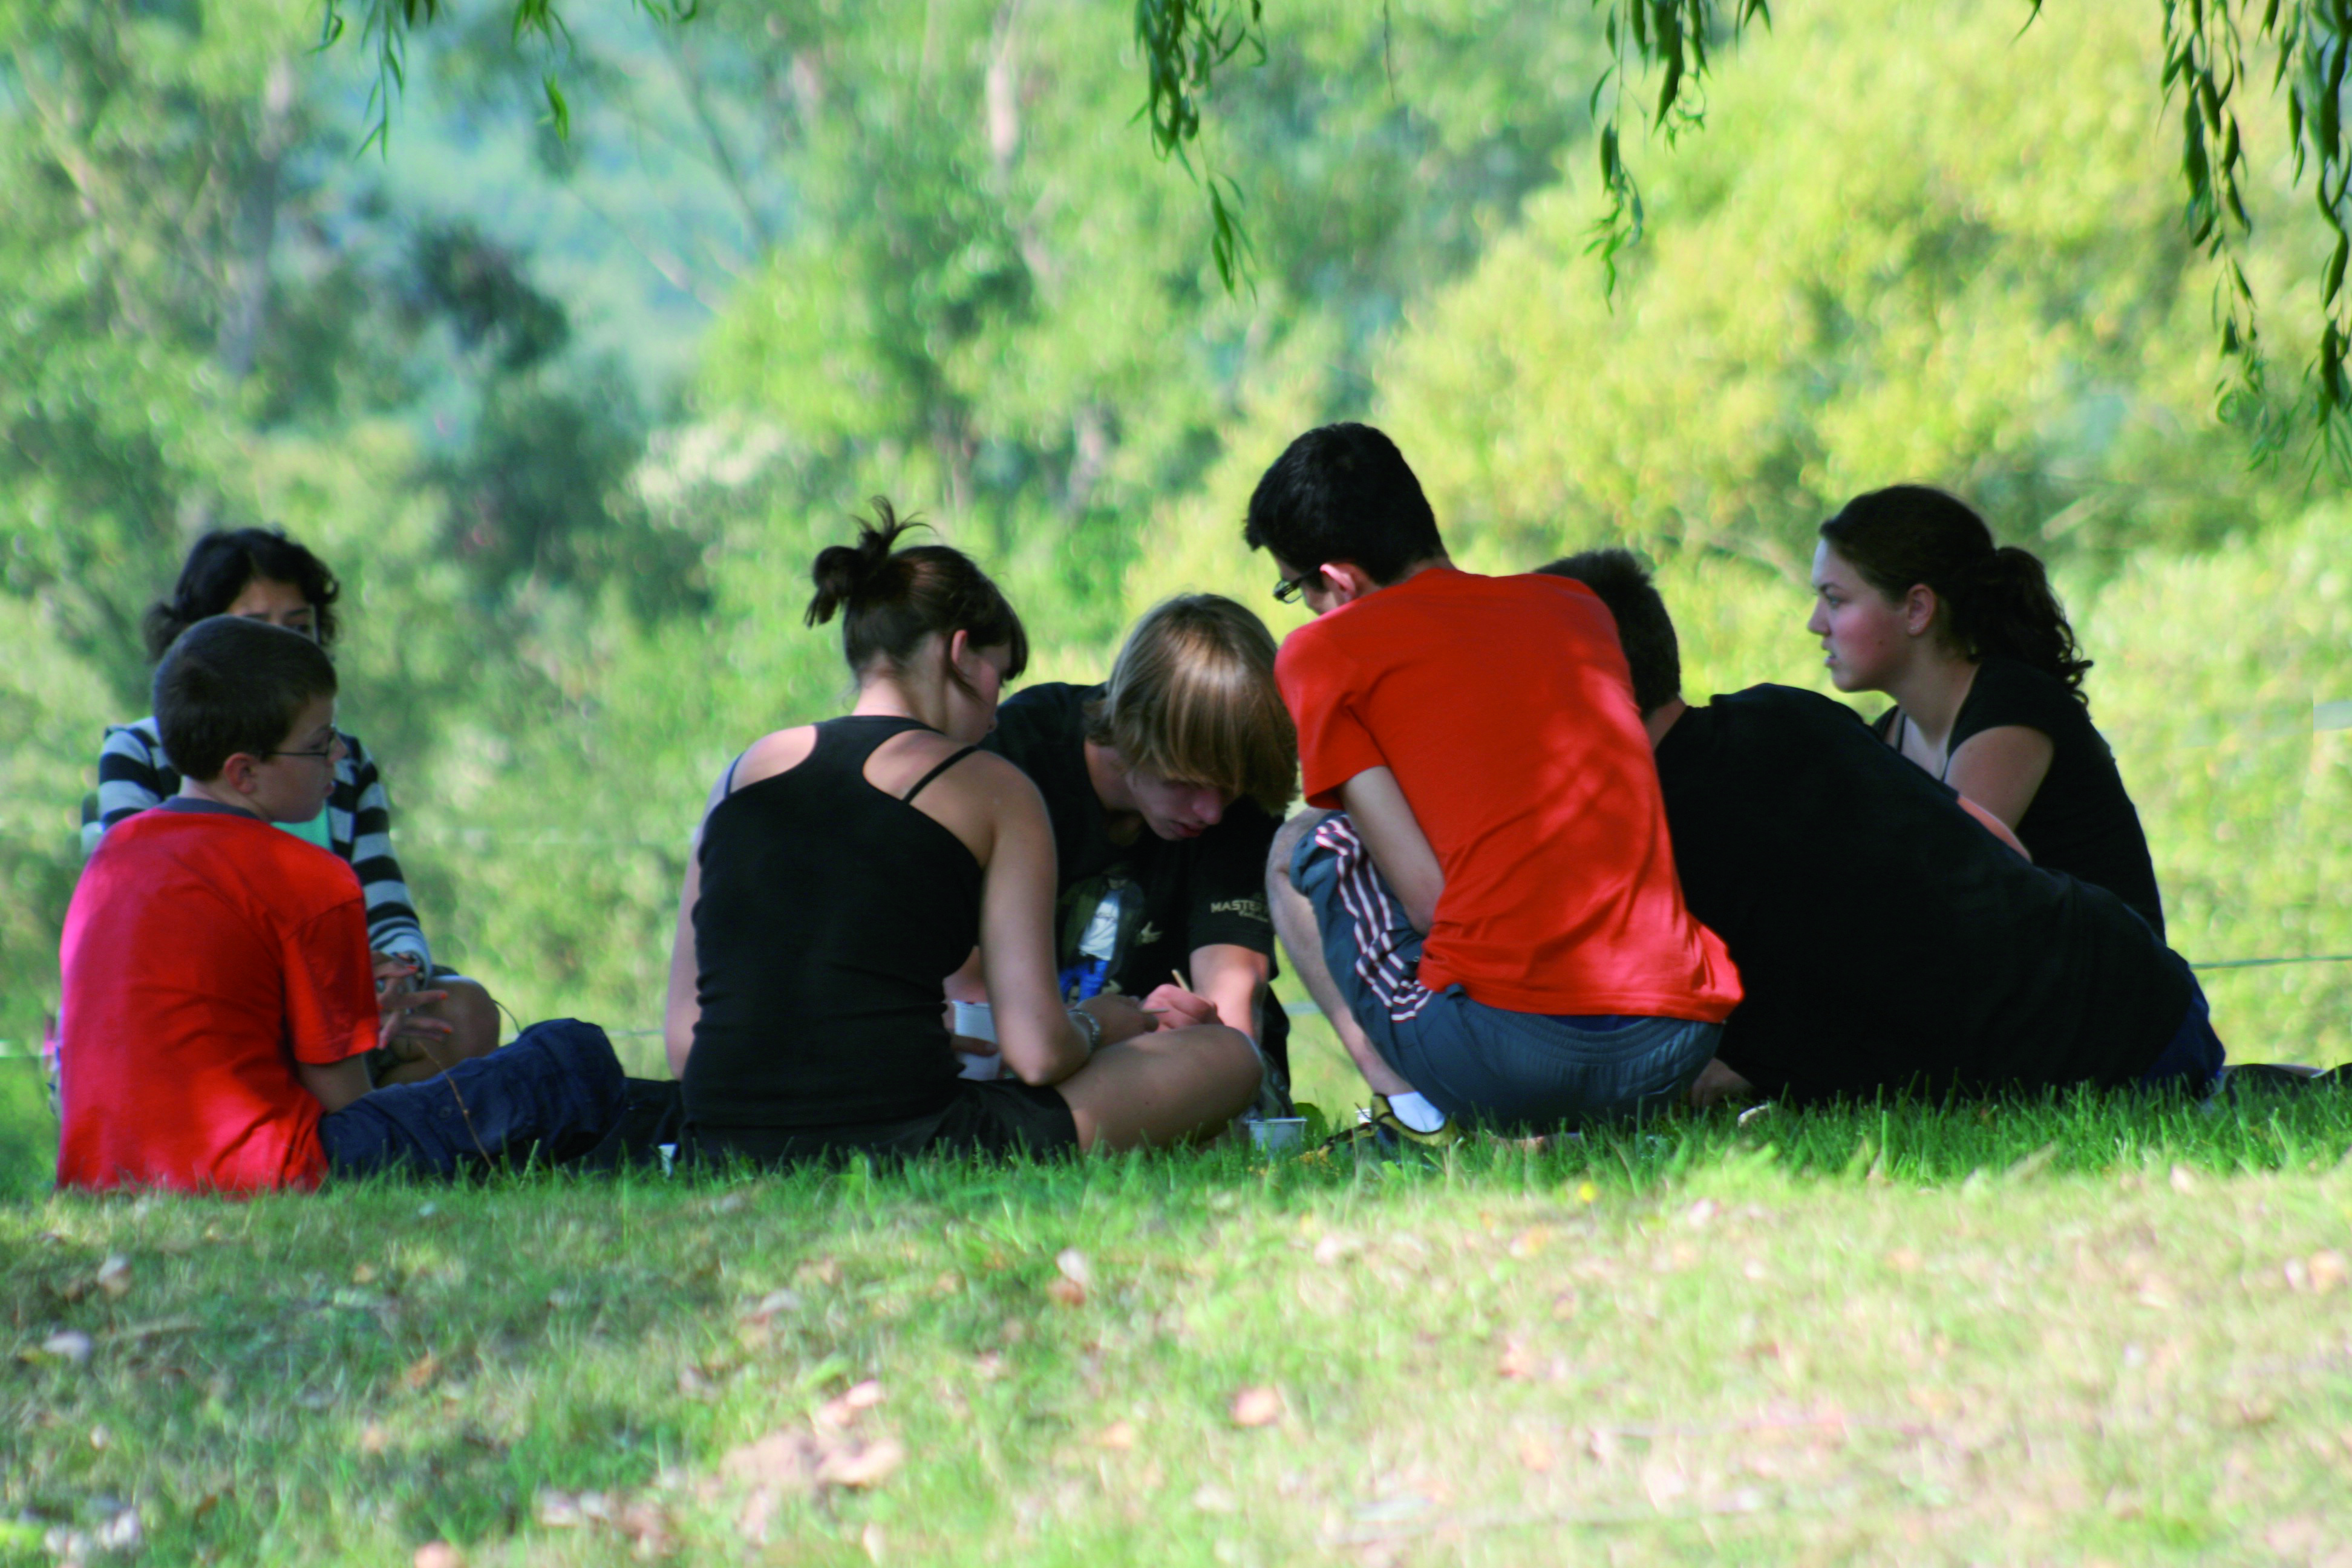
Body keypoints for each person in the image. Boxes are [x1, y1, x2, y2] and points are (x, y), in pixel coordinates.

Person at [661, 506, 1262, 1165]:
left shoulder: (743, 772)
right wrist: (1103, 1022)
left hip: (721, 1138)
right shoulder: (991, 785)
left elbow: (687, 1044)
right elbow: (1036, 1053)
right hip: (913, 1138)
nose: (995, 717)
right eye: (1000, 680)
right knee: (1228, 1057)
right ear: (962, 656)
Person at [1541, 548, 2224, 1102]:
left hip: (2097, 1065)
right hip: (2141, 984)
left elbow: (1642, 1068)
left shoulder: (1648, 847)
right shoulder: (1782, 715)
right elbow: (1998, 840)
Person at [1247, 424, 1740, 1140]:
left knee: (1307, 845)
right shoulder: (1574, 607)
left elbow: (1426, 901)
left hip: (1513, 1058)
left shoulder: (1324, 652)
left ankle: (1416, 1121)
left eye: (1297, 590)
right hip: (1671, 1042)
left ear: (1339, 579)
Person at [56, 616, 626, 1194]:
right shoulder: (307, 876)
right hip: (262, 1174)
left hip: (100, 1177)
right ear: (244, 772)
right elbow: (346, 1103)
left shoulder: (113, 856)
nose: (338, 755)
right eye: (318, 743)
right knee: (571, 1056)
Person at [94, 528, 501, 1080]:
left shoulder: (345, 760)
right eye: (252, 629)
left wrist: (395, 978)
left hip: (340, 999)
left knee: (463, 1011)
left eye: (298, 628)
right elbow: (134, 927)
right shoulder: (138, 750)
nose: (280, 649)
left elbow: (388, 908)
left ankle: (377, 1155)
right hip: (214, 1003)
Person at [973, 595, 1298, 1106]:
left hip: (1165, 1064)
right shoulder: (1016, 757)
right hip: (1027, 1054)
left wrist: (1204, 1029)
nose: (1211, 812)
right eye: (1188, 782)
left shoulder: (1243, 790)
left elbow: (1235, 989)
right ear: (1132, 729)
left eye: (1229, 789)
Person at [1808, 486, 2166, 935]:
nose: (1816, 623)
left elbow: (1934, 892)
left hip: (2115, 999)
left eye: (1835, 599)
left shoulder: (2013, 706)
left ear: (1918, 609)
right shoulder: (1887, 739)